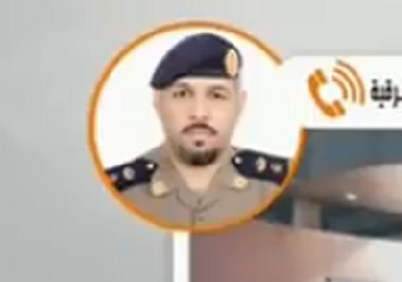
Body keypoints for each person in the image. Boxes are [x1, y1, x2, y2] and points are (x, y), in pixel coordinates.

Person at [104, 31, 293, 229]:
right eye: (182, 94)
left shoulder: (279, 186)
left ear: (240, 104)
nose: (199, 113)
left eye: (217, 95)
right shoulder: (118, 191)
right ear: (158, 102)